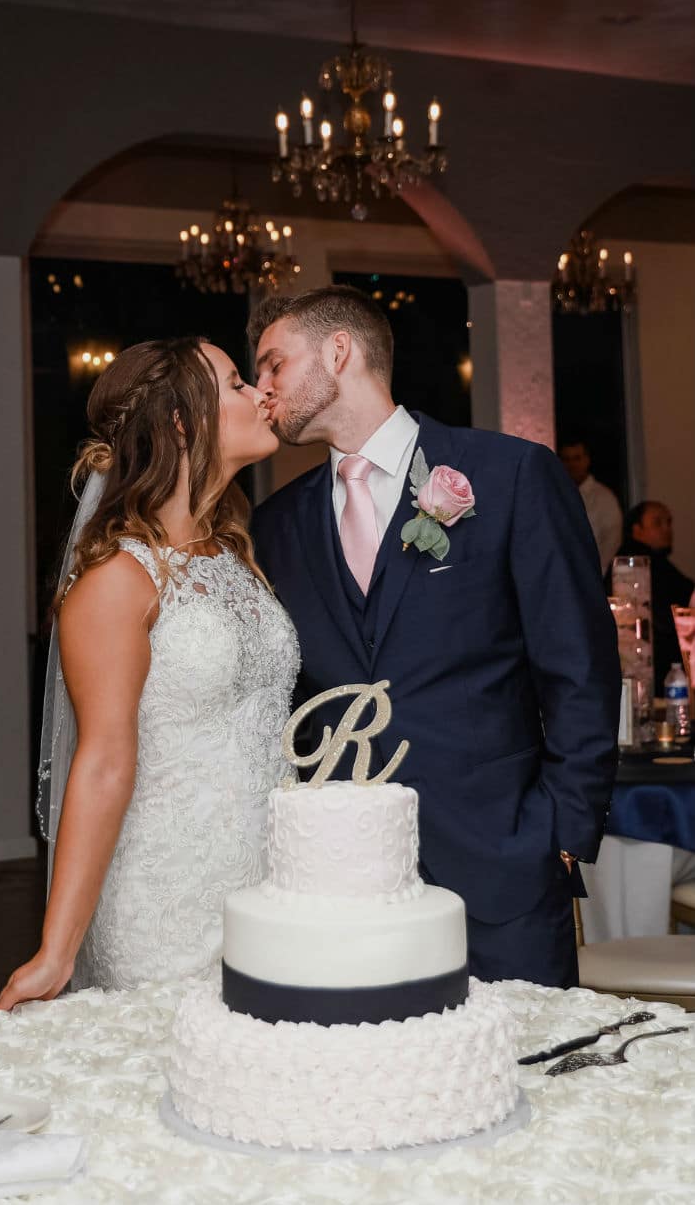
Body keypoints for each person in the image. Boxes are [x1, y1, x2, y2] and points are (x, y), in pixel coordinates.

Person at [249, 285, 620, 989]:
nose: (264, 389)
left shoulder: (510, 476)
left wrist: (562, 834)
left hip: (503, 863)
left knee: (527, 1078)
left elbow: (579, 667)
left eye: (274, 363)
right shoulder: (275, 526)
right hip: (346, 885)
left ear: (338, 349)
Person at [0, 338, 298, 1010]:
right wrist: (56, 952)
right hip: (167, 911)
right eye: (237, 383)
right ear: (183, 422)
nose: (261, 395)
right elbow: (102, 763)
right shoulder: (117, 580)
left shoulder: (231, 556)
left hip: (273, 897)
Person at [609, 500, 694, 693]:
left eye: (669, 522)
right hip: (649, 672)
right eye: (658, 523)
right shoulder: (635, 566)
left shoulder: (654, 562)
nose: (667, 529)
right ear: (636, 529)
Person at [558, 436, 623, 575]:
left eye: (577, 458)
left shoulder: (604, 498)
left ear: (587, 460)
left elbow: (612, 543)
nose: (572, 465)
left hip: (593, 576)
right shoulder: (554, 494)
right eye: (566, 459)